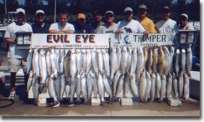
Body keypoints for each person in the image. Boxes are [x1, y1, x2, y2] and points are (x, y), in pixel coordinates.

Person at [4, 8, 32, 100]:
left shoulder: (28, 26)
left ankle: (27, 90)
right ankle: (12, 91)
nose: (20, 16)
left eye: (22, 15)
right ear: (16, 15)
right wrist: (15, 40)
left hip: (25, 54)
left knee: (27, 73)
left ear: (24, 16)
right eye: (19, 15)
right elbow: (6, 39)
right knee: (13, 73)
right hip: (14, 54)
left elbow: (32, 37)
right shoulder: (10, 26)